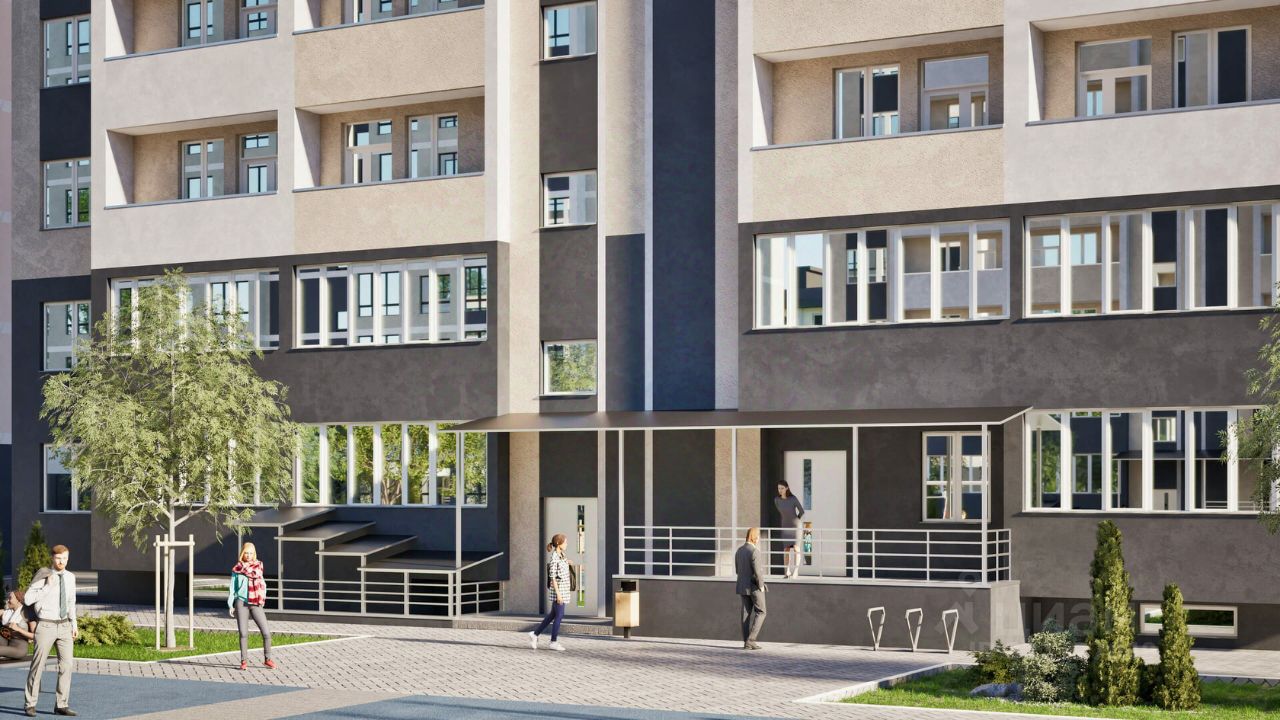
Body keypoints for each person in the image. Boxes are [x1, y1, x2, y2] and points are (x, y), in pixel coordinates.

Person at [24, 544, 77, 717]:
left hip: (64, 626)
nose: (62, 562)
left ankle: (61, 704)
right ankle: (30, 704)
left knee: (67, 666)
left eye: (65, 558)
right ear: (52, 558)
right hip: (46, 625)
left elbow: (71, 602)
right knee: (38, 665)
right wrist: (47, 587)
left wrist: (74, 624)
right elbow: (27, 599)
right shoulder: (43, 575)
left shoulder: (71, 577)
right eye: (58, 558)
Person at [228, 542, 275, 671]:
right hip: (241, 603)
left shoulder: (258, 567)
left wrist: (262, 598)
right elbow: (232, 588)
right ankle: (244, 661)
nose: (248, 555)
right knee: (243, 633)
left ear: (254, 554)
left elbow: (263, 584)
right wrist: (230, 604)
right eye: (246, 553)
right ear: (242, 554)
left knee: (266, 632)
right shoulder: (237, 569)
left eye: (250, 553)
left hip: (255, 603)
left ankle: (268, 659)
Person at [527, 533, 570, 652]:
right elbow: (553, 578)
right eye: (565, 542)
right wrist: (558, 594)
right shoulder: (554, 558)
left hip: (563, 590)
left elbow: (561, 568)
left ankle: (535, 634)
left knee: (552, 615)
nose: (567, 544)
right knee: (559, 616)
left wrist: (568, 562)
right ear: (559, 543)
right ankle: (553, 642)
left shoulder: (562, 555)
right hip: (559, 592)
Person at [735, 527, 767, 650]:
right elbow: (758, 572)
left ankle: (746, 641)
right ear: (754, 537)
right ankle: (751, 640)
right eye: (758, 536)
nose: (758, 538)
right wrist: (761, 586)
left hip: (742, 585)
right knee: (761, 612)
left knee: (745, 613)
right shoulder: (754, 551)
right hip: (754, 586)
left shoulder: (739, 550)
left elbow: (737, 570)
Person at [774, 480, 805, 578]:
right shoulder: (777, 500)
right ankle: (787, 571)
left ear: (787, 488)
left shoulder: (793, 499)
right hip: (785, 526)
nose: (780, 490)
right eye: (779, 488)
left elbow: (801, 511)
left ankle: (796, 571)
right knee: (786, 549)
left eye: (782, 488)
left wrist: (796, 520)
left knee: (796, 548)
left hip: (796, 526)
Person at [0, 591, 35, 660]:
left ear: (18, 600)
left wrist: (19, 629)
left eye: (10, 598)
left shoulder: (28, 614)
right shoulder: (6, 612)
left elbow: (36, 636)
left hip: (19, 648)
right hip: (6, 642)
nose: (7, 600)